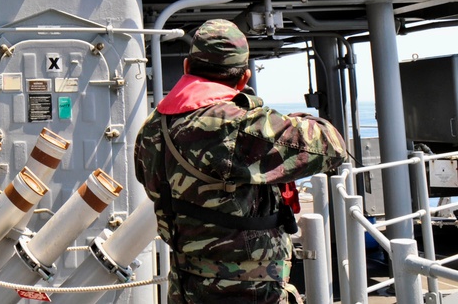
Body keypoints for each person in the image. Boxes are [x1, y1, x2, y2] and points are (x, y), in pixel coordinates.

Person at [134, 19, 347, 304]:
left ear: (187, 68)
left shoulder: (152, 128)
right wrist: (294, 119)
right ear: (244, 78)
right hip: (248, 292)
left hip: (186, 288)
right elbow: (332, 146)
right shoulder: (241, 126)